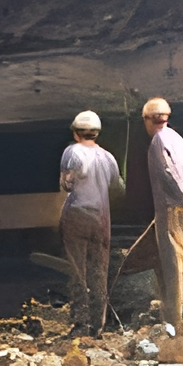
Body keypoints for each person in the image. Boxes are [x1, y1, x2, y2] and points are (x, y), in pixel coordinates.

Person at [58, 109, 123, 334]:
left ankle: (80, 323)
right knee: (99, 271)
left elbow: (67, 184)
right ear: (97, 133)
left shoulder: (71, 152)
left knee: (78, 270)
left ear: (77, 133)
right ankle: (98, 325)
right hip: (101, 219)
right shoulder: (108, 158)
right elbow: (117, 188)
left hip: (76, 215)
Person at [142, 96, 183, 322]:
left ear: (148, 119)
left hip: (170, 208)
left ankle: (175, 316)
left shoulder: (159, 141)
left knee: (172, 261)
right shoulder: (178, 139)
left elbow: (168, 174)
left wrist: (179, 199)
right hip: (182, 207)